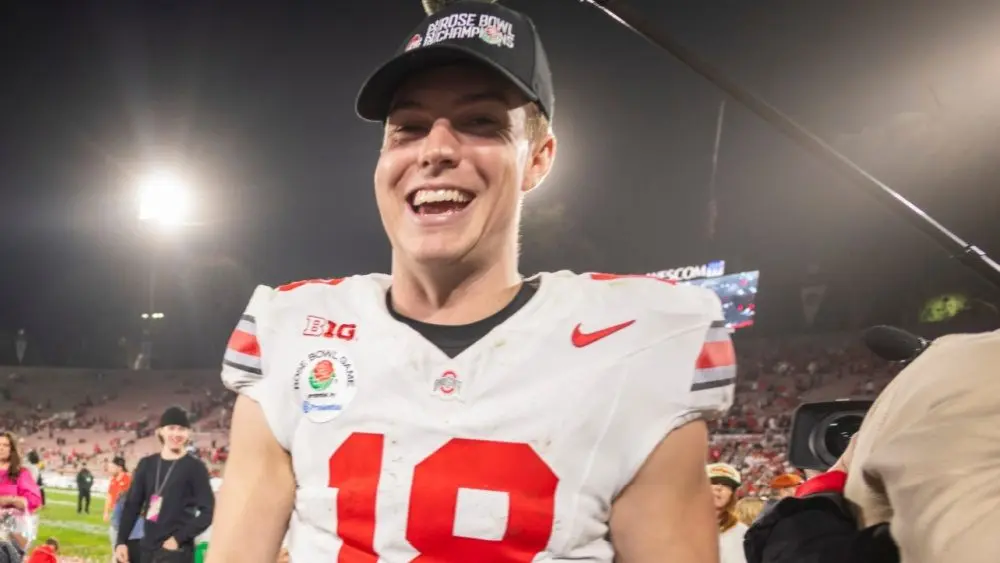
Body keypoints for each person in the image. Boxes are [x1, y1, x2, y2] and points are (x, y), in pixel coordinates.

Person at [208, 1, 737, 562]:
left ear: (539, 159)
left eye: (481, 122)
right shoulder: (292, 329)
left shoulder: (636, 341)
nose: (436, 150)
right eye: (408, 128)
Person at [115, 407, 214, 563]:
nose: (176, 434)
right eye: (171, 428)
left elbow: (208, 512)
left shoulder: (196, 468)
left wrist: (178, 539)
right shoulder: (146, 464)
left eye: (181, 429)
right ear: (161, 431)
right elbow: (132, 505)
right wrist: (121, 541)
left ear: (188, 433)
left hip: (177, 552)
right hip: (147, 548)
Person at [0, 431, 41, 550]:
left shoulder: (21, 473)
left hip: (12, 529)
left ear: (12, 449)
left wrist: (17, 500)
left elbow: (34, 499)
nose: (1, 448)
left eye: (5, 445)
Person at [707, 463, 748, 563]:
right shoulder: (680, 526)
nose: (719, 488)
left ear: (732, 494)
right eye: (713, 482)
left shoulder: (741, 532)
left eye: (726, 485)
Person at [105, 456, 132, 561]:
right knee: (115, 542)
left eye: (112, 467)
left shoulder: (129, 478)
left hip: (125, 515)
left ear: (120, 468)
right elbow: (109, 496)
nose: (110, 469)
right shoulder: (113, 479)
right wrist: (106, 512)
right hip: (116, 514)